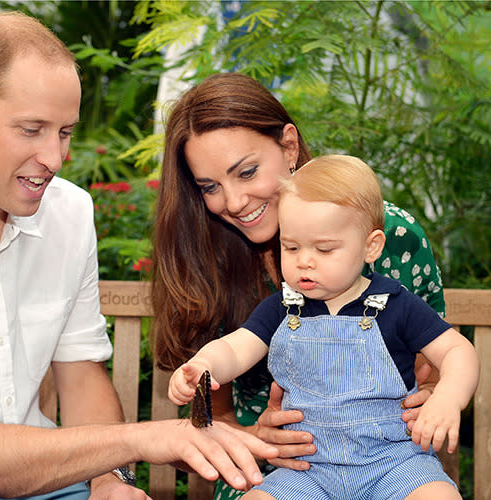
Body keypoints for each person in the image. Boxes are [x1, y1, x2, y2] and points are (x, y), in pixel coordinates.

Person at [0, 12, 279, 500]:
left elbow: (81, 376)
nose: (55, 159)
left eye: (64, 133)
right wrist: (137, 440)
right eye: (32, 129)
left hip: (44, 478)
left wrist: (111, 480)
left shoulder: (68, 213)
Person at [151, 72, 447, 499]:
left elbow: (437, 364)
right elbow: (205, 426)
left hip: (387, 462)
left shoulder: (387, 235)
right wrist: (255, 437)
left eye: (247, 172)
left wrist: (436, 394)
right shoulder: (206, 259)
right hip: (276, 473)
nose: (233, 202)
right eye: (210, 187)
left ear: (289, 146)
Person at [168, 154, 479, 499]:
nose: (304, 260)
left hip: (395, 462)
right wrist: (205, 365)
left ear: (370, 246)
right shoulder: (282, 309)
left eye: (324, 248)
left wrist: (448, 397)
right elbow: (235, 347)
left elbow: (457, 350)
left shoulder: (397, 304)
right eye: (292, 246)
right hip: (308, 469)